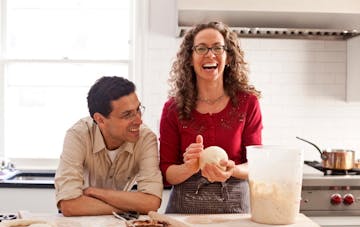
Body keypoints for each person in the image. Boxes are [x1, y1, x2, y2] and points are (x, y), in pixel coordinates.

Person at [159, 22, 263, 214]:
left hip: (235, 210)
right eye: (201, 48)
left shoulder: (248, 103)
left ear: (229, 57)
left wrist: (232, 170)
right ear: (189, 58)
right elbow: (167, 172)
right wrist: (189, 168)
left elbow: (256, 164)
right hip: (185, 212)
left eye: (217, 47)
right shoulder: (172, 109)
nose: (210, 54)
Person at [55, 76, 163, 216]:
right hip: (79, 221)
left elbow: (151, 203)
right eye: (127, 115)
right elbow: (70, 205)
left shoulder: (146, 138)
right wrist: (129, 208)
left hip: (113, 222)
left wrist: (95, 193)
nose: (139, 120)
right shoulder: (78, 135)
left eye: (138, 110)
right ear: (100, 120)